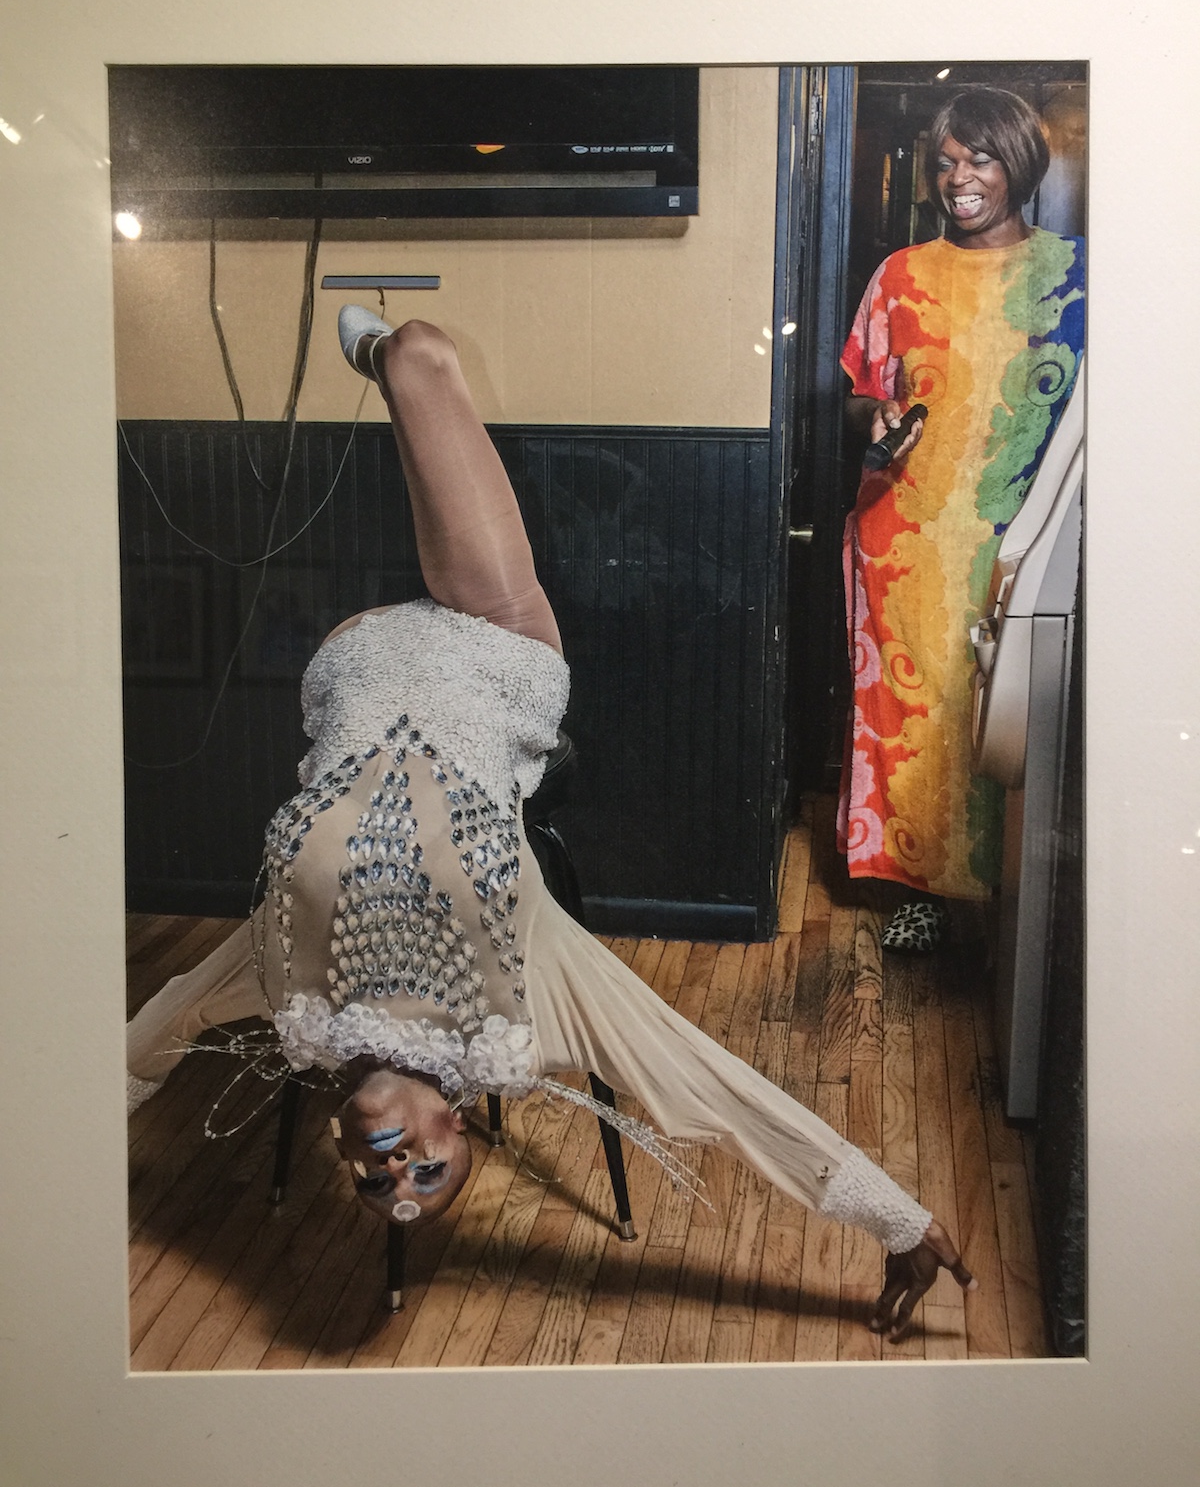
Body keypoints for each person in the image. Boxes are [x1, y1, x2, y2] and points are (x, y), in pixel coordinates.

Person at [127, 308, 976, 1340]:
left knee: (422, 385)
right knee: (424, 359)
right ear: (457, 1122)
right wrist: (896, 1217)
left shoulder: (290, 988)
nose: (393, 1166)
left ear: (342, 1154)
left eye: (374, 1181)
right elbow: (710, 1083)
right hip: (496, 649)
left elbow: (153, 1031)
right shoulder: (525, 1008)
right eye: (427, 1172)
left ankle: (395, 365)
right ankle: (395, 360)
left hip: (353, 660)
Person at [838, 87, 1085, 953]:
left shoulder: (1077, 276)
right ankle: (922, 893)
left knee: (1008, 718)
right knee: (918, 720)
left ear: (1020, 160)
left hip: (1030, 542)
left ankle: (1017, 904)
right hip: (906, 538)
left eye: (979, 158)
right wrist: (872, 418)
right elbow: (861, 391)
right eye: (944, 163)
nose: (959, 178)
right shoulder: (900, 276)